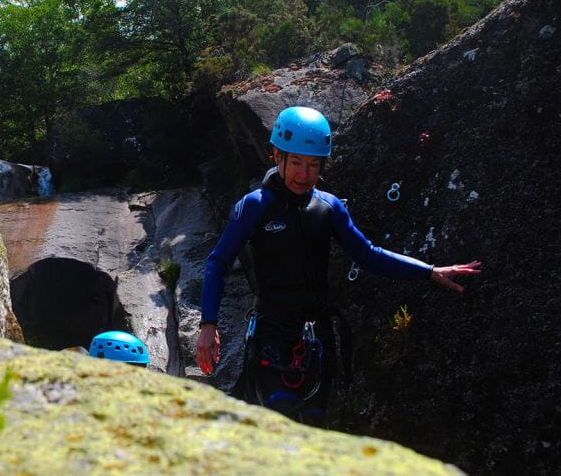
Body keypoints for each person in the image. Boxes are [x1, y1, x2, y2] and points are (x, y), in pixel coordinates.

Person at [195, 106, 480, 426]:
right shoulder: (255, 207)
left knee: (314, 429)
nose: (304, 174)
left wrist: (429, 271)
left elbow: (368, 254)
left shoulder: (328, 208)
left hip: (317, 337)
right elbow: (218, 262)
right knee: (280, 424)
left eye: (314, 165)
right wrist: (208, 326)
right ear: (276, 156)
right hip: (272, 337)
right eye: (298, 163)